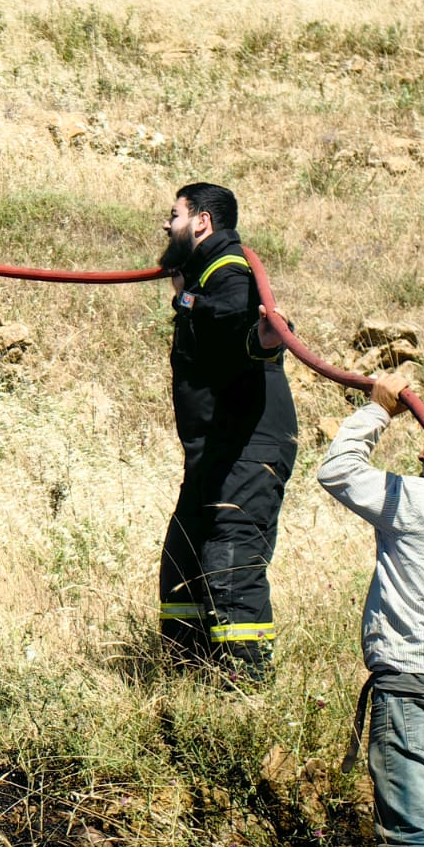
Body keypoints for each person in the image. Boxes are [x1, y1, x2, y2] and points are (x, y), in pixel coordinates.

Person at [317, 372, 424, 847]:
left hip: (417, 689)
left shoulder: (423, 502)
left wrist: (377, 409)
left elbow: (339, 471)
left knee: (416, 833)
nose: (422, 458)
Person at [157, 182, 296, 682]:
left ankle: (247, 698)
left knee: (229, 564)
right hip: (216, 452)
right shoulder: (206, 273)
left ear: (201, 222)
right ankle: (188, 686)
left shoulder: (229, 268)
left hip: (247, 447)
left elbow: (238, 320)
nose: (165, 225)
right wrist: (188, 290)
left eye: (173, 215)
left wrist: (186, 299)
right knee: (184, 567)